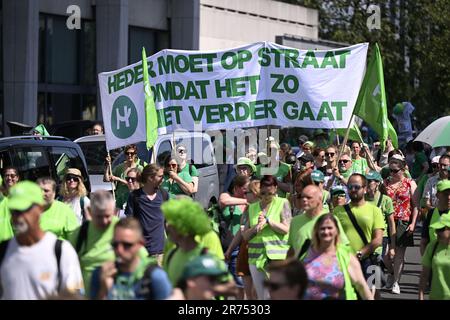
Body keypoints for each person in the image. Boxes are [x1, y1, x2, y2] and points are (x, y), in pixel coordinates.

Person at [0, 181, 84, 299]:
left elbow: (74, 295)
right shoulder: (4, 250)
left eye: (24, 210)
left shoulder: (61, 251)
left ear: (40, 209)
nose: (18, 217)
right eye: (14, 212)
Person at [90, 217, 172, 300]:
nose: (120, 250)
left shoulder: (155, 277)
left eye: (127, 245)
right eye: (115, 245)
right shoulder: (101, 274)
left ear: (140, 244)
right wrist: (103, 291)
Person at [242, 175, 291, 300]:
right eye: (263, 193)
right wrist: (256, 227)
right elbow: (245, 235)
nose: (266, 196)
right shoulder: (252, 207)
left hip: (277, 258)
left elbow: (287, 229)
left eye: (269, 193)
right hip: (256, 258)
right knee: (262, 297)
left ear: (275, 189)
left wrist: (268, 221)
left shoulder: (283, 203)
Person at [333, 174, 385, 293]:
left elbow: (378, 240)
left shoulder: (375, 211)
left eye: (356, 187)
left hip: (370, 260)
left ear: (365, 188)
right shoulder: (337, 211)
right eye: (350, 187)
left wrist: (360, 254)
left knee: (373, 294)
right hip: (344, 262)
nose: (352, 190)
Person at [303, 214, 373, 300]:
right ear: (316, 231)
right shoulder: (306, 251)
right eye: (322, 228)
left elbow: (362, 286)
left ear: (336, 231)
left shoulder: (346, 256)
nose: (326, 232)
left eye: (329, 228)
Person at [69, 190, 119, 295]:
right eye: (99, 217)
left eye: (108, 216)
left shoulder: (122, 230)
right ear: (90, 211)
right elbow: (71, 268)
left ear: (114, 211)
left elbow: (141, 261)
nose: (104, 221)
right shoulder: (80, 234)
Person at [383, 154, 419, 294]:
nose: (392, 173)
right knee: (385, 254)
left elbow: (416, 205)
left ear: (403, 169)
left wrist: (413, 223)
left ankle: (396, 282)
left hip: (403, 221)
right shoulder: (385, 183)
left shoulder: (410, 183)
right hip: (386, 220)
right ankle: (391, 273)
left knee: (398, 254)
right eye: (390, 170)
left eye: (395, 171)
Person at [162, 198, 213, 287]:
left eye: (172, 223)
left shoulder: (205, 256)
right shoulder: (171, 255)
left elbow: (230, 288)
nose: (167, 227)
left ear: (184, 227)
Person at [125, 164, 167, 264]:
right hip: (140, 252)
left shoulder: (164, 195)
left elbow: (168, 223)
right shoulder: (135, 196)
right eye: (160, 176)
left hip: (160, 252)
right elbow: (130, 223)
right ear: (150, 178)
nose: (163, 179)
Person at [219, 175, 250, 299]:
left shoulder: (251, 204)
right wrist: (248, 201)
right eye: (245, 189)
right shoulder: (226, 196)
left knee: (239, 285)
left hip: (241, 248)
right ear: (236, 188)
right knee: (222, 284)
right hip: (224, 246)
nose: (248, 192)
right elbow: (223, 201)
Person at [364, 171, 396, 276]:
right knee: (366, 268)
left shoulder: (386, 200)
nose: (367, 184)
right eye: (366, 181)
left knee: (374, 268)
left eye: (370, 181)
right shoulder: (361, 199)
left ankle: (389, 276)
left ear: (377, 183)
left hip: (381, 238)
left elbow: (391, 223)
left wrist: (392, 246)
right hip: (364, 236)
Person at [418, 213, 450, 300]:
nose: (436, 232)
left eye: (440, 229)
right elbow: (424, 274)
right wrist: (421, 296)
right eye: (436, 229)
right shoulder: (432, 246)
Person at [104, 144, 146, 210]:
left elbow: (138, 186)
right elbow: (106, 179)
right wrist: (107, 166)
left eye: (132, 153)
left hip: (134, 200)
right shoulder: (120, 167)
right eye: (127, 153)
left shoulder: (140, 168)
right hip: (120, 201)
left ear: (135, 155)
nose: (129, 155)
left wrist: (118, 179)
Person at [421, 180, 450, 255]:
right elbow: (424, 242)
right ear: (437, 195)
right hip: (435, 260)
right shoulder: (431, 214)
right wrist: (426, 262)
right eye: (445, 194)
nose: (449, 197)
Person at [0, 167, 20, 242]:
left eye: (12, 176)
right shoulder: (2, 198)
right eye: (6, 175)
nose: (9, 178)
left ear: (17, 178)